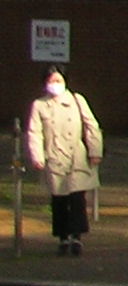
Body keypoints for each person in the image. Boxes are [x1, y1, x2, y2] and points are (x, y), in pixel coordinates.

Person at [24, 67, 104, 257]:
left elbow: (91, 125)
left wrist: (95, 151)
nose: (55, 84)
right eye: (51, 80)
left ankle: (76, 237)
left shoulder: (77, 100)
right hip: (54, 156)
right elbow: (34, 132)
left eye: (58, 80)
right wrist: (37, 156)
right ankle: (62, 237)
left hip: (76, 156)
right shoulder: (40, 105)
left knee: (77, 198)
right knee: (59, 199)